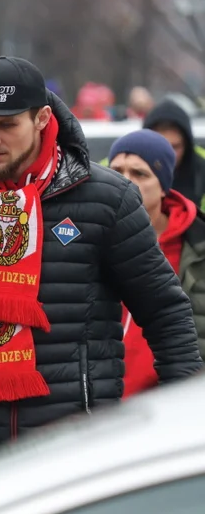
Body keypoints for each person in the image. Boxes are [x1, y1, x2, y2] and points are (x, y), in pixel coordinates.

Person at [0, 56, 203, 479]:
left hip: (82, 445)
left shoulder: (106, 199)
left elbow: (166, 315)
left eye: (6, 125)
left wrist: (176, 430)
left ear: (42, 119)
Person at [107, 130, 205, 395]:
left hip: (167, 411)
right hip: (97, 412)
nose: (125, 182)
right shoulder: (88, 239)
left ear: (163, 186)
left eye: (139, 174)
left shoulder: (195, 247)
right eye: (116, 170)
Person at [143, 97, 205, 209]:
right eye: (160, 146)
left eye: (175, 147)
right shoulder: (118, 166)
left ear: (187, 145)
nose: (168, 155)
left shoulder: (202, 168)